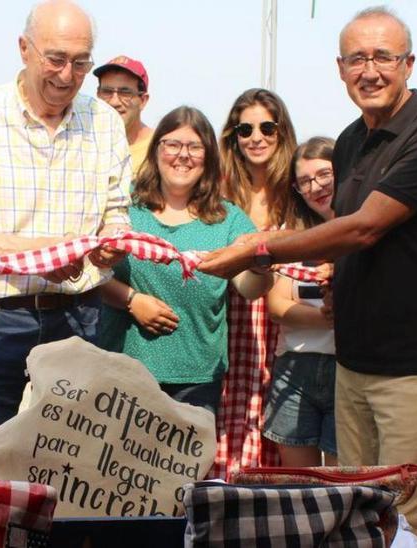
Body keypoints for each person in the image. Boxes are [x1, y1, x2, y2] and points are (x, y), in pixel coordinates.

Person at [198, 7, 417, 543]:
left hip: (415, 365)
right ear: (340, 67)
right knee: (356, 511)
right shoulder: (349, 141)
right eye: (356, 59)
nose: (369, 71)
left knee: (407, 523)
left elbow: (365, 228)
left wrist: (259, 248)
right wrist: (338, 277)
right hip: (353, 359)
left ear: (408, 64)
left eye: (383, 57)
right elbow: (348, 235)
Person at [0, 0, 130, 445]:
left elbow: (116, 211)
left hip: (77, 316)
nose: (66, 75)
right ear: (24, 48)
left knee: (68, 458)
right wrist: (36, 254)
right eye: (55, 59)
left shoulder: (106, 123)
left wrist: (113, 241)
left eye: (81, 63)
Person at [97, 106, 272, 414]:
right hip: (123, 370)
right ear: (156, 150)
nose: (183, 155)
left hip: (196, 380)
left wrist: (260, 266)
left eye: (194, 147)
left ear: (208, 156)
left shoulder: (229, 219)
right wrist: (131, 300)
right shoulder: (122, 206)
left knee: (186, 464)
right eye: (173, 144)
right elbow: (88, 274)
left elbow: (250, 287)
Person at [213, 87, 299, 478]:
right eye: (243, 130)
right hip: (232, 320)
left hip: (284, 321)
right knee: (230, 416)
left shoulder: (297, 192)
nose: (256, 138)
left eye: (267, 127)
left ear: (282, 132)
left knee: (278, 421)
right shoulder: (219, 192)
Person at [262, 137, 338, 468]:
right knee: (298, 487)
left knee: (344, 483)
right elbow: (276, 305)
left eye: (324, 174)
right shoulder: (289, 233)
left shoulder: (362, 228)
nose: (316, 186)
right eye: (305, 181)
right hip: (294, 367)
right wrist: (330, 317)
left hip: (347, 369)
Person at [94, 55, 153, 174]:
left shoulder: (158, 149)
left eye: (125, 93)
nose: (114, 102)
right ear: (98, 95)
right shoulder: (84, 144)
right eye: (107, 92)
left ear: (143, 100)